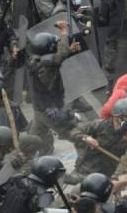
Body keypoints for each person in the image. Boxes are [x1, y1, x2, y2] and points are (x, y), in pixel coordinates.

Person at [27, 20, 81, 155]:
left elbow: (58, 56)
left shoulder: (35, 60)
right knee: (75, 133)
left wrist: (69, 49)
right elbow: (59, 56)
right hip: (51, 111)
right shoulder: (46, 65)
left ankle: (38, 155)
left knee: (34, 138)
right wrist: (63, 32)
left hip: (40, 108)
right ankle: (96, 151)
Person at [66, 99, 127, 185]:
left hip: (108, 174)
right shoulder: (100, 125)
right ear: (116, 116)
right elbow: (74, 132)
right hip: (86, 167)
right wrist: (86, 137)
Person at [0, 156, 67, 213]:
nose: (58, 178)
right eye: (57, 176)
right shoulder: (44, 196)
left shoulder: (17, 180)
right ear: (48, 176)